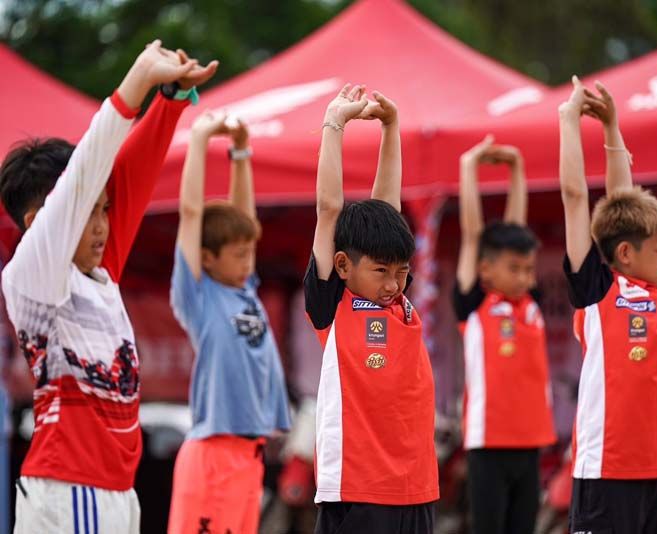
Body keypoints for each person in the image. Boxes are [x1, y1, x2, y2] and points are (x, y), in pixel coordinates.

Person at [0, 40, 216, 533]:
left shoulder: (98, 272)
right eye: (87, 212)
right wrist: (135, 83)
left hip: (113, 491)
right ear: (38, 223)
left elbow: (130, 177)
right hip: (72, 488)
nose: (102, 226)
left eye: (105, 210)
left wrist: (168, 100)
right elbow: (86, 171)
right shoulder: (33, 277)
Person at [558, 76, 657, 533]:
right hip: (606, 471)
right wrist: (569, 120)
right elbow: (576, 198)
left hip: (655, 468)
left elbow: (623, 203)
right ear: (627, 254)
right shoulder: (599, 292)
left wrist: (612, 129)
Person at [304, 84, 438, 534]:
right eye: (381, 271)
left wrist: (391, 125)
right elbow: (328, 208)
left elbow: (387, 209)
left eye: (402, 271)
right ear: (342, 265)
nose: (394, 283)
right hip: (357, 493)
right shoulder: (333, 305)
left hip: (416, 491)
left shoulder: (398, 300)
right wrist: (334, 124)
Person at [166, 112, 291, 534]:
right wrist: (200, 139)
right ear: (207, 258)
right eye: (238, 255)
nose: (247, 262)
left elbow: (244, 218)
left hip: (249, 454)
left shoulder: (245, 290)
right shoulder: (199, 297)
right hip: (213, 454)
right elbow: (189, 214)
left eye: (250, 253)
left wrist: (241, 151)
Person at [454, 135, 556, 534]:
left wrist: (516, 168)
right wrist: (469, 167)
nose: (524, 277)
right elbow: (471, 234)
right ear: (485, 269)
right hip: (488, 445)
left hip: (530, 442)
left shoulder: (529, 304)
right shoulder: (475, 303)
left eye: (528, 269)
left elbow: (517, 229)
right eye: (514, 269)